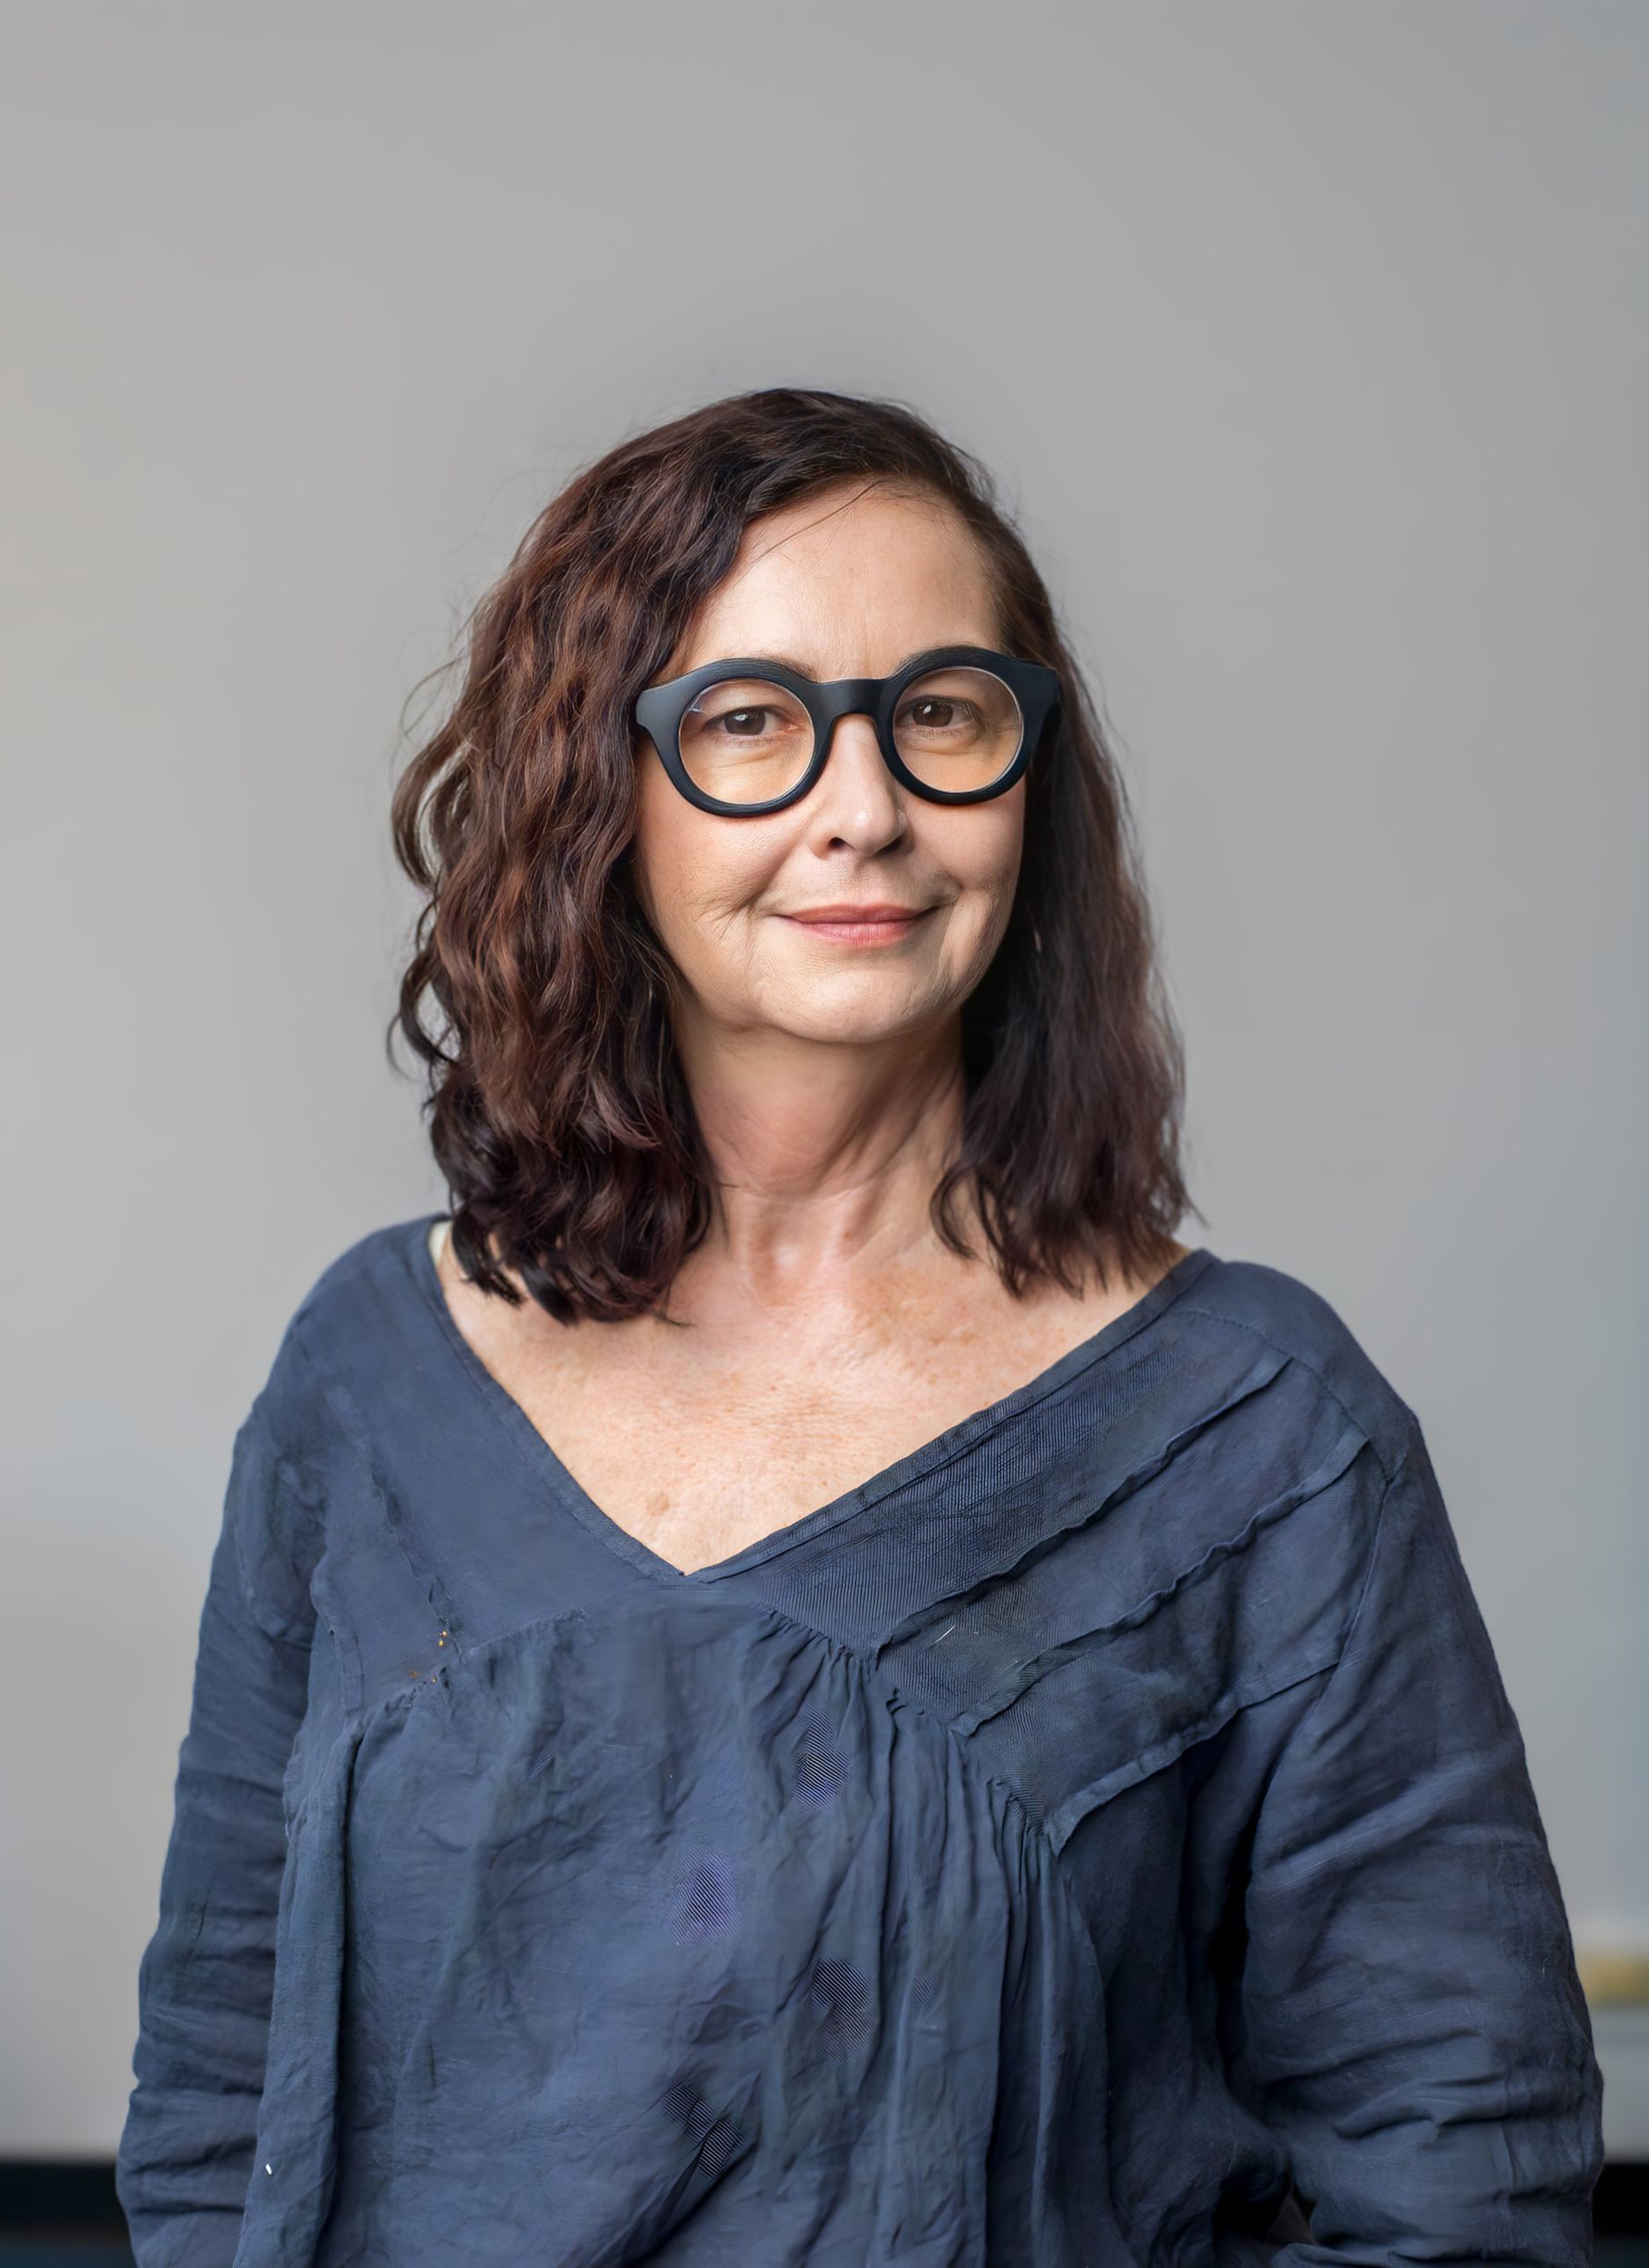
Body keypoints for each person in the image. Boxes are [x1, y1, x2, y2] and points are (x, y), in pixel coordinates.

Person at [114, 386, 1604, 2266]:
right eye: (753, 721)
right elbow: (218, 2106)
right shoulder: (365, 1374)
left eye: (945, 715)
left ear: (1028, 782)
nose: (867, 806)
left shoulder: (1265, 1435)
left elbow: (1456, 2186)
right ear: (603, 790)